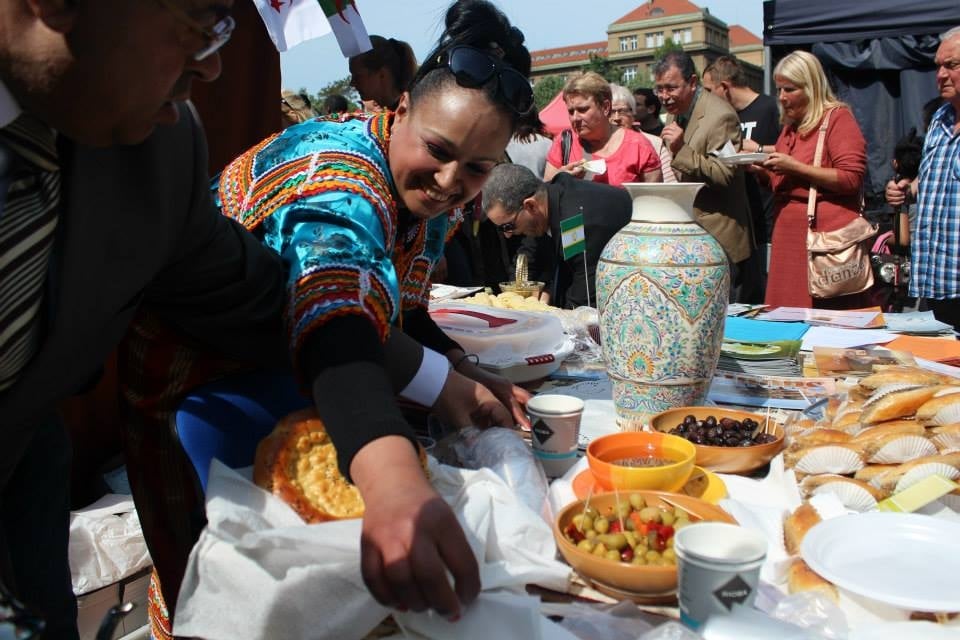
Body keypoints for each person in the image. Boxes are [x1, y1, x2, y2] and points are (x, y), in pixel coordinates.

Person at [212, 0, 539, 619]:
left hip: (315, 384)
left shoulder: (425, 198)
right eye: (437, 151)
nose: (448, 182)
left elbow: (402, 310)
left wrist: (466, 374)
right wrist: (394, 483)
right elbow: (335, 304)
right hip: (210, 375)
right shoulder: (340, 171)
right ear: (402, 109)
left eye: (476, 169)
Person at [0, 2, 290, 637]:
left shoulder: (161, 144)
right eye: (202, 21)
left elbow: (260, 299)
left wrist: (428, 380)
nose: (213, 66)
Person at [753, 50, 869, 310]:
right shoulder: (791, 127)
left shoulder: (837, 119)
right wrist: (760, 171)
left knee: (829, 322)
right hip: (789, 237)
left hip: (824, 243)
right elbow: (782, 182)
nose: (781, 97)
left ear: (811, 86)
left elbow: (851, 178)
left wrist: (795, 166)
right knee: (787, 318)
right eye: (779, 89)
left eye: (790, 89)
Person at [653, 51, 752, 285]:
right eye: (659, 89)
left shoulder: (721, 117)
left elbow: (725, 174)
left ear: (693, 82)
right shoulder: (673, 115)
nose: (664, 97)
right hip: (690, 239)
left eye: (671, 88)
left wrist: (681, 150)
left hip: (720, 242)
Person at [885, 26, 960, 331]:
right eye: (938, 67)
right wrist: (908, 189)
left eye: (951, 65)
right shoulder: (940, 119)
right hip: (936, 280)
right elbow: (936, 179)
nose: (940, 75)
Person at [483, 163, 632, 308]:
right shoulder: (547, 200)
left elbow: (583, 297)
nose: (507, 235)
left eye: (508, 226)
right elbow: (529, 256)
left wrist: (550, 299)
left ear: (531, 206)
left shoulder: (572, 222)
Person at [701, 56, 780, 303]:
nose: (706, 98)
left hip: (767, 214)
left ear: (724, 86)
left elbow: (792, 149)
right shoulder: (721, 116)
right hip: (739, 219)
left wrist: (759, 149)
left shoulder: (769, 108)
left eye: (709, 91)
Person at [543, 71, 661, 186]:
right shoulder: (564, 142)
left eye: (583, 110)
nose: (575, 118)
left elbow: (654, 200)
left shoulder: (638, 146)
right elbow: (545, 195)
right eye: (571, 111)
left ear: (605, 107)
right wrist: (561, 179)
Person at [609, 83, 675, 182]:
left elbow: (670, 186)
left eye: (622, 111)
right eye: (611, 112)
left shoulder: (654, 144)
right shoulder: (594, 145)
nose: (616, 118)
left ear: (633, 113)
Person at [349, 35, 418, 111]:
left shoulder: (415, 112)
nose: (352, 83)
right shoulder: (405, 110)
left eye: (358, 76)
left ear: (382, 74)